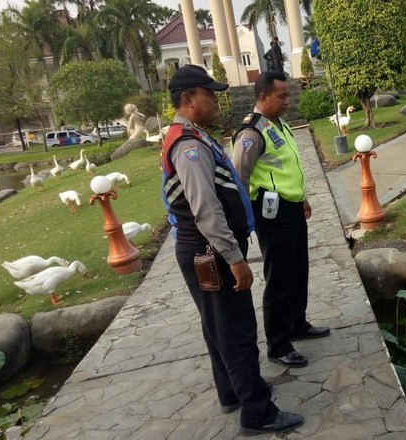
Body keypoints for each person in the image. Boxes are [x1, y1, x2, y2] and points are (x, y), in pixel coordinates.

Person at [160, 64, 303, 435]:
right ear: (188, 99)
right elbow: (206, 210)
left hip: (205, 250)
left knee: (218, 326)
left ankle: (232, 392)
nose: (216, 101)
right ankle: (257, 411)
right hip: (210, 252)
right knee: (236, 330)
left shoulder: (193, 136)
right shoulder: (189, 146)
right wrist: (235, 259)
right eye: (209, 95)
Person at [231, 71, 330, 369]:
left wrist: (301, 198)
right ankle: (278, 343)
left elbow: (287, 166)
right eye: (282, 96)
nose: (288, 101)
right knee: (279, 278)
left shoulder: (279, 124)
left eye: (288, 95)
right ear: (263, 97)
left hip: (291, 208)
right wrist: (245, 218)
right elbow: (239, 178)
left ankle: (297, 324)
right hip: (270, 214)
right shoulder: (252, 132)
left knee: (299, 270)